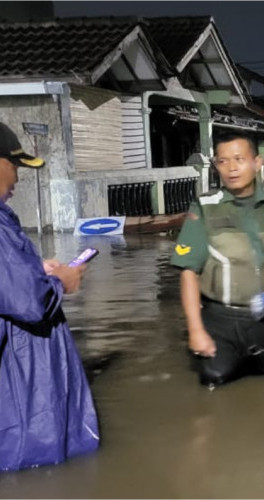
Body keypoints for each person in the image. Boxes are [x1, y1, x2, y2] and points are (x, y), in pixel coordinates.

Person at [171, 133, 264, 387]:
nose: (231, 168)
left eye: (239, 159)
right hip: (220, 320)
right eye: (223, 161)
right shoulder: (204, 208)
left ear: (257, 163)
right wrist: (195, 329)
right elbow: (189, 272)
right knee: (215, 382)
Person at [0, 122, 99, 471]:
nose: (18, 179)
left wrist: (37, 268)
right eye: (15, 166)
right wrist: (63, 280)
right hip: (19, 395)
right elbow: (29, 302)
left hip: (22, 383)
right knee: (32, 467)